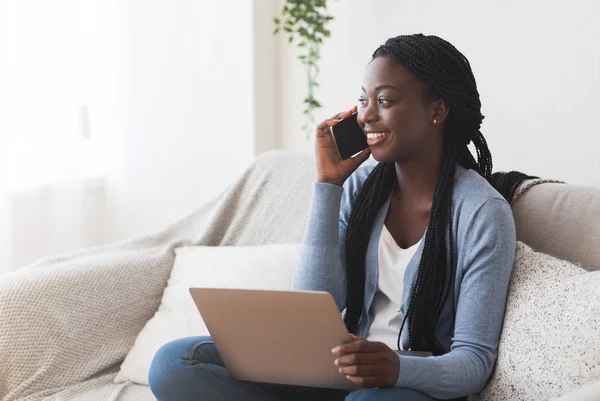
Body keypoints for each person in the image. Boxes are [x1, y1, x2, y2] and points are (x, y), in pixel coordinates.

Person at [148, 33, 529, 401]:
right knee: (173, 363)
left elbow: (473, 362)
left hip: (410, 387)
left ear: (437, 111)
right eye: (363, 100)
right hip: (337, 374)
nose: (367, 116)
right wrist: (328, 186)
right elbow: (317, 303)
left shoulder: (482, 214)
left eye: (385, 100)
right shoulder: (362, 185)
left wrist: (396, 368)